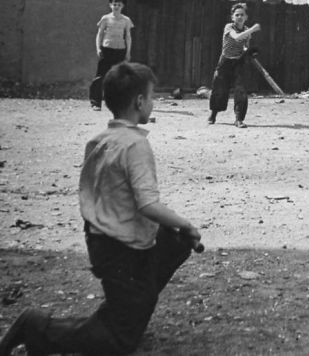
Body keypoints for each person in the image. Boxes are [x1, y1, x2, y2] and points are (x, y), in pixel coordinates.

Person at [0, 61, 202, 355]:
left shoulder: (99, 140)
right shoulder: (135, 146)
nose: (154, 103)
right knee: (119, 342)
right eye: (152, 97)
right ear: (140, 101)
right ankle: (38, 327)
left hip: (102, 238)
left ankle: (127, 312)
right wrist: (186, 223)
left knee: (175, 243)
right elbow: (147, 204)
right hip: (123, 248)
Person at [208, 4, 261, 127]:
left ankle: (239, 119)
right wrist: (253, 29)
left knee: (241, 90)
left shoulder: (247, 30)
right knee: (219, 89)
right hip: (225, 61)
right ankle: (213, 114)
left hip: (239, 62)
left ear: (246, 17)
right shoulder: (229, 27)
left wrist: (248, 51)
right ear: (232, 17)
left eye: (242, 14)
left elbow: (245, 45)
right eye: (237, 15)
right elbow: (237, 37)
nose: (239, 17)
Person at [90, 0, 134, 111]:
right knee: (100, 77)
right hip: (107, 50)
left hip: (120, 50)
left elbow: (128, 36)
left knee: (121, 77)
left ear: (122, 6)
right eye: (114, 4)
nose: (116, 7)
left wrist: (128, 52)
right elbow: (99, 34)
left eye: (119, 5)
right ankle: (95, 103)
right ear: (110, 5)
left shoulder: (126, 20)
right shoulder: (105, 18)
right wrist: (98, 48)